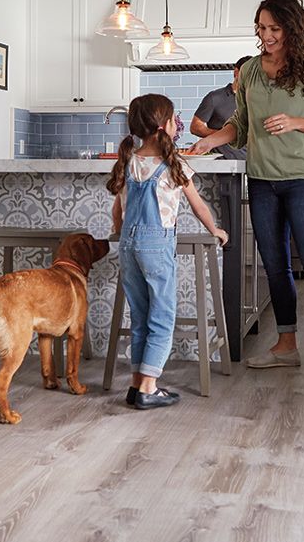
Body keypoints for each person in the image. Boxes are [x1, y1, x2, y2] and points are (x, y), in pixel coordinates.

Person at [189, 0, 304, 374]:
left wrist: (295, 122)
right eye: (261, 28)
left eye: (274, 28)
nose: (267, 35)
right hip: (262, 179)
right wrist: (212, 139)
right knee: (274, 264)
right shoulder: (251, 73)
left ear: (291, 28)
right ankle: (286, 344)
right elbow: (240, 126)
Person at [107, 93, 229, 410]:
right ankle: (149, 387)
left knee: (141, 317)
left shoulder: (129, 161)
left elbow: (117, 211)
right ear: (164, 125)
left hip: (128, 246)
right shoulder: (173, 165)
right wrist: (214, 230)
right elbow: (198, 205)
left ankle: (137, 384)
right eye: (175, 119)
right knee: (162, 317)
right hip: (156, 245)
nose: (178, 124)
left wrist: (119, 233)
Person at [190, 55, 253, 159]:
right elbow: (195, 127)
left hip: (247, 163)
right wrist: (223, 136)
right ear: (236, 72)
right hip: (220, 164)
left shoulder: (255, 100)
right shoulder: (215, 98)